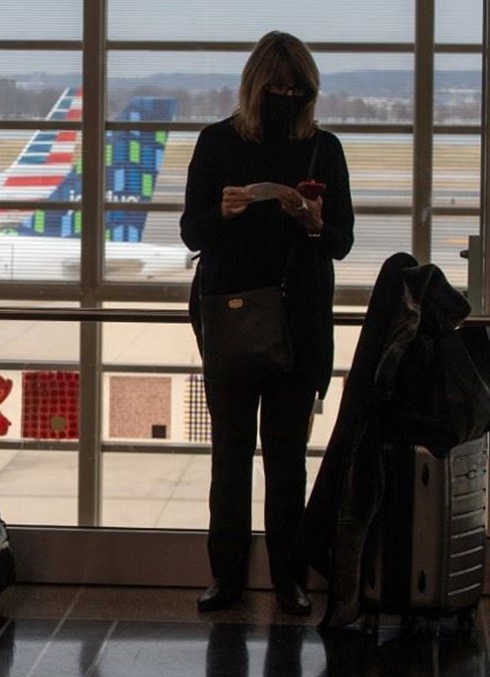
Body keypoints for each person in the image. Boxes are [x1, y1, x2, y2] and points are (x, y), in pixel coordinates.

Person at [180, 31, 354, 614]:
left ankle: (289, 578)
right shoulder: (217, 142)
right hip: (231, 316)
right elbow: (192, 232)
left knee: (286, 463)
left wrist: (314, 222)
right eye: (277, 88)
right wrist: (224, 211)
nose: (286, 98)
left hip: (299, 322)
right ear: (256, 87)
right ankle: (227, 576)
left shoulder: (323, 149)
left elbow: (341, 241)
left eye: (296, 90)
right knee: (229, 458)